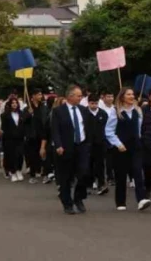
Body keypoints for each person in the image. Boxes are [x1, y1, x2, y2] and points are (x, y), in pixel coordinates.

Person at [49, 84, 97, 214]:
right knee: (66, 177)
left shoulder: (84, 110)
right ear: (70, 96)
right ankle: (67, 203)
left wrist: (88, 143)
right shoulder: (59, 111)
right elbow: (55, 130)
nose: (81, 98)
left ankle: (78, 198)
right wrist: (58, 145)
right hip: (66, 147)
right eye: (79, 95)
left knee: (84, 173)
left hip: (81, 146)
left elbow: (89, 128)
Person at [107, 87, 151, 212]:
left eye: (133, 94)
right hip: (121, 147)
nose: (132, 96)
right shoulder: (115, 111)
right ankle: (120, 202)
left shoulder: (138, 111)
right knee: (121, 174)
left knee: (138, 172)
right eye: (129, 94)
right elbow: (109, 131)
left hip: (135, 146)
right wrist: (117, 143)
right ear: (122, 97)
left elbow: (138, 128)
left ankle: (142, 199)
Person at [85, 94, 110, 196]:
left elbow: (107, 128)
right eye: (92, 103)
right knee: (88, 165)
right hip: (87, 143)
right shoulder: (84, 113)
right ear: (88, 103)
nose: (94, 105)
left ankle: (101, 184)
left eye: (96, 103)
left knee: (100, 164)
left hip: (100, 143)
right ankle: (88, 185)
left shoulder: (103, 114)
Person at [0, 97, 29, 182]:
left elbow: (26, 122)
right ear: (9, 104)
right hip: (9, 139)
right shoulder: (5, 115)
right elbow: (4, 128)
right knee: (11, 155)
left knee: (20, 155)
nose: (14, 104)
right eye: (12, 103)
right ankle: (12, 172)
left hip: (20, 138)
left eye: (16, 103)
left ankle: (19, 170)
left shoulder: (22, 113)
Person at [24, 89, 50, 184]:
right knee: (33, 156)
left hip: (42, 134)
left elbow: (46, 119)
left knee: (44, 155)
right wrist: (28, 114)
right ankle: (32, 174)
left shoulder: (43, 107)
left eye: (41, 94)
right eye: (38, 94)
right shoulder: (27, 108)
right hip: (32, 136)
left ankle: (45, 174)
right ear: (33, 96)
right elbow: (23, 121)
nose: (40, 96)